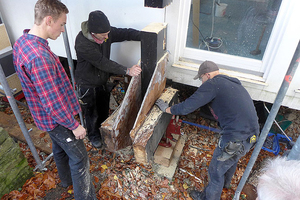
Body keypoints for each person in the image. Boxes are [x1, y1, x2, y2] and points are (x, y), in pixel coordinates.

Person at [13, 0, 96, 199]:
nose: (63, 30)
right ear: (49, 20)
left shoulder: (24, 41)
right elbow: (52, 103)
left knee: (60, 148)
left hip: (44, 116)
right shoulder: (39, 57)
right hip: (57, 119)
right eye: (62, 24)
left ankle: (66, 181)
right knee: (80, 158)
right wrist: (74, 125)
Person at [155, 61, 259, 200]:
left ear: (207, 75)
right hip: (252, 135)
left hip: (236, 137)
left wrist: (167, 109)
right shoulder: (231, 84)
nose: (201, 82)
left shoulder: (213, 84)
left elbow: (188, 106)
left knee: (215, 171)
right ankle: (225, 186)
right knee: (231, 160)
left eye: (201, 78)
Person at [74, 10, 142, 148]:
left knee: (103, 109)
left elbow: (125, 33)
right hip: (87, 83)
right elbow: (102, 62)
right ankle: (93, 136)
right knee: (91, 113)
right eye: (104, 35)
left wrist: (145, 36)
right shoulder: (82, 42)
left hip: (102, 80)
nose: (107, 36)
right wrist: (127, 70)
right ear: (93, 33)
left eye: (108, 33)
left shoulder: (106, 33)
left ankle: (102, 131)